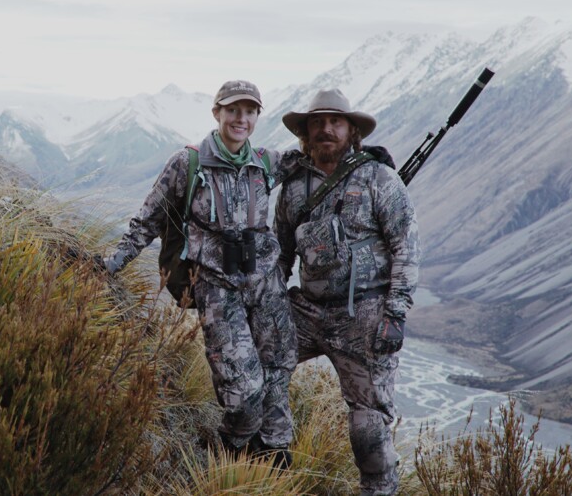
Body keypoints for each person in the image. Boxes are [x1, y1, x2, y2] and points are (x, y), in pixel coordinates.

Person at [103, 80, 299, 466]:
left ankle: (274, 456)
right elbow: (147, 220)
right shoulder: (187, 163)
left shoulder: (268, 161)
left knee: (278, 374)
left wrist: (360, 157)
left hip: (266, 288)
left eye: (249, 111)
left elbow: (318, 159)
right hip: (216, 288)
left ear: (258, 116)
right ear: (217, 113)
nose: (240, 118)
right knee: (244, 393)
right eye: (232, 110)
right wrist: (112, 264)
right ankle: (229, 447)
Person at [273, 89, 420, 495]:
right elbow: (280, 255)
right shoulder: (292, 187)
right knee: (255, 372)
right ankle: (268, 467)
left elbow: (406, 248)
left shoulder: (379, 178)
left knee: (368, 430)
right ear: (305, 132)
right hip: (306, 310)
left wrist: (395, 314)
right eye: (316, 122)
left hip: (365, 315)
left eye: (335, 122)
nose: (326, 129)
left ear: (352, 129)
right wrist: (263, 306)